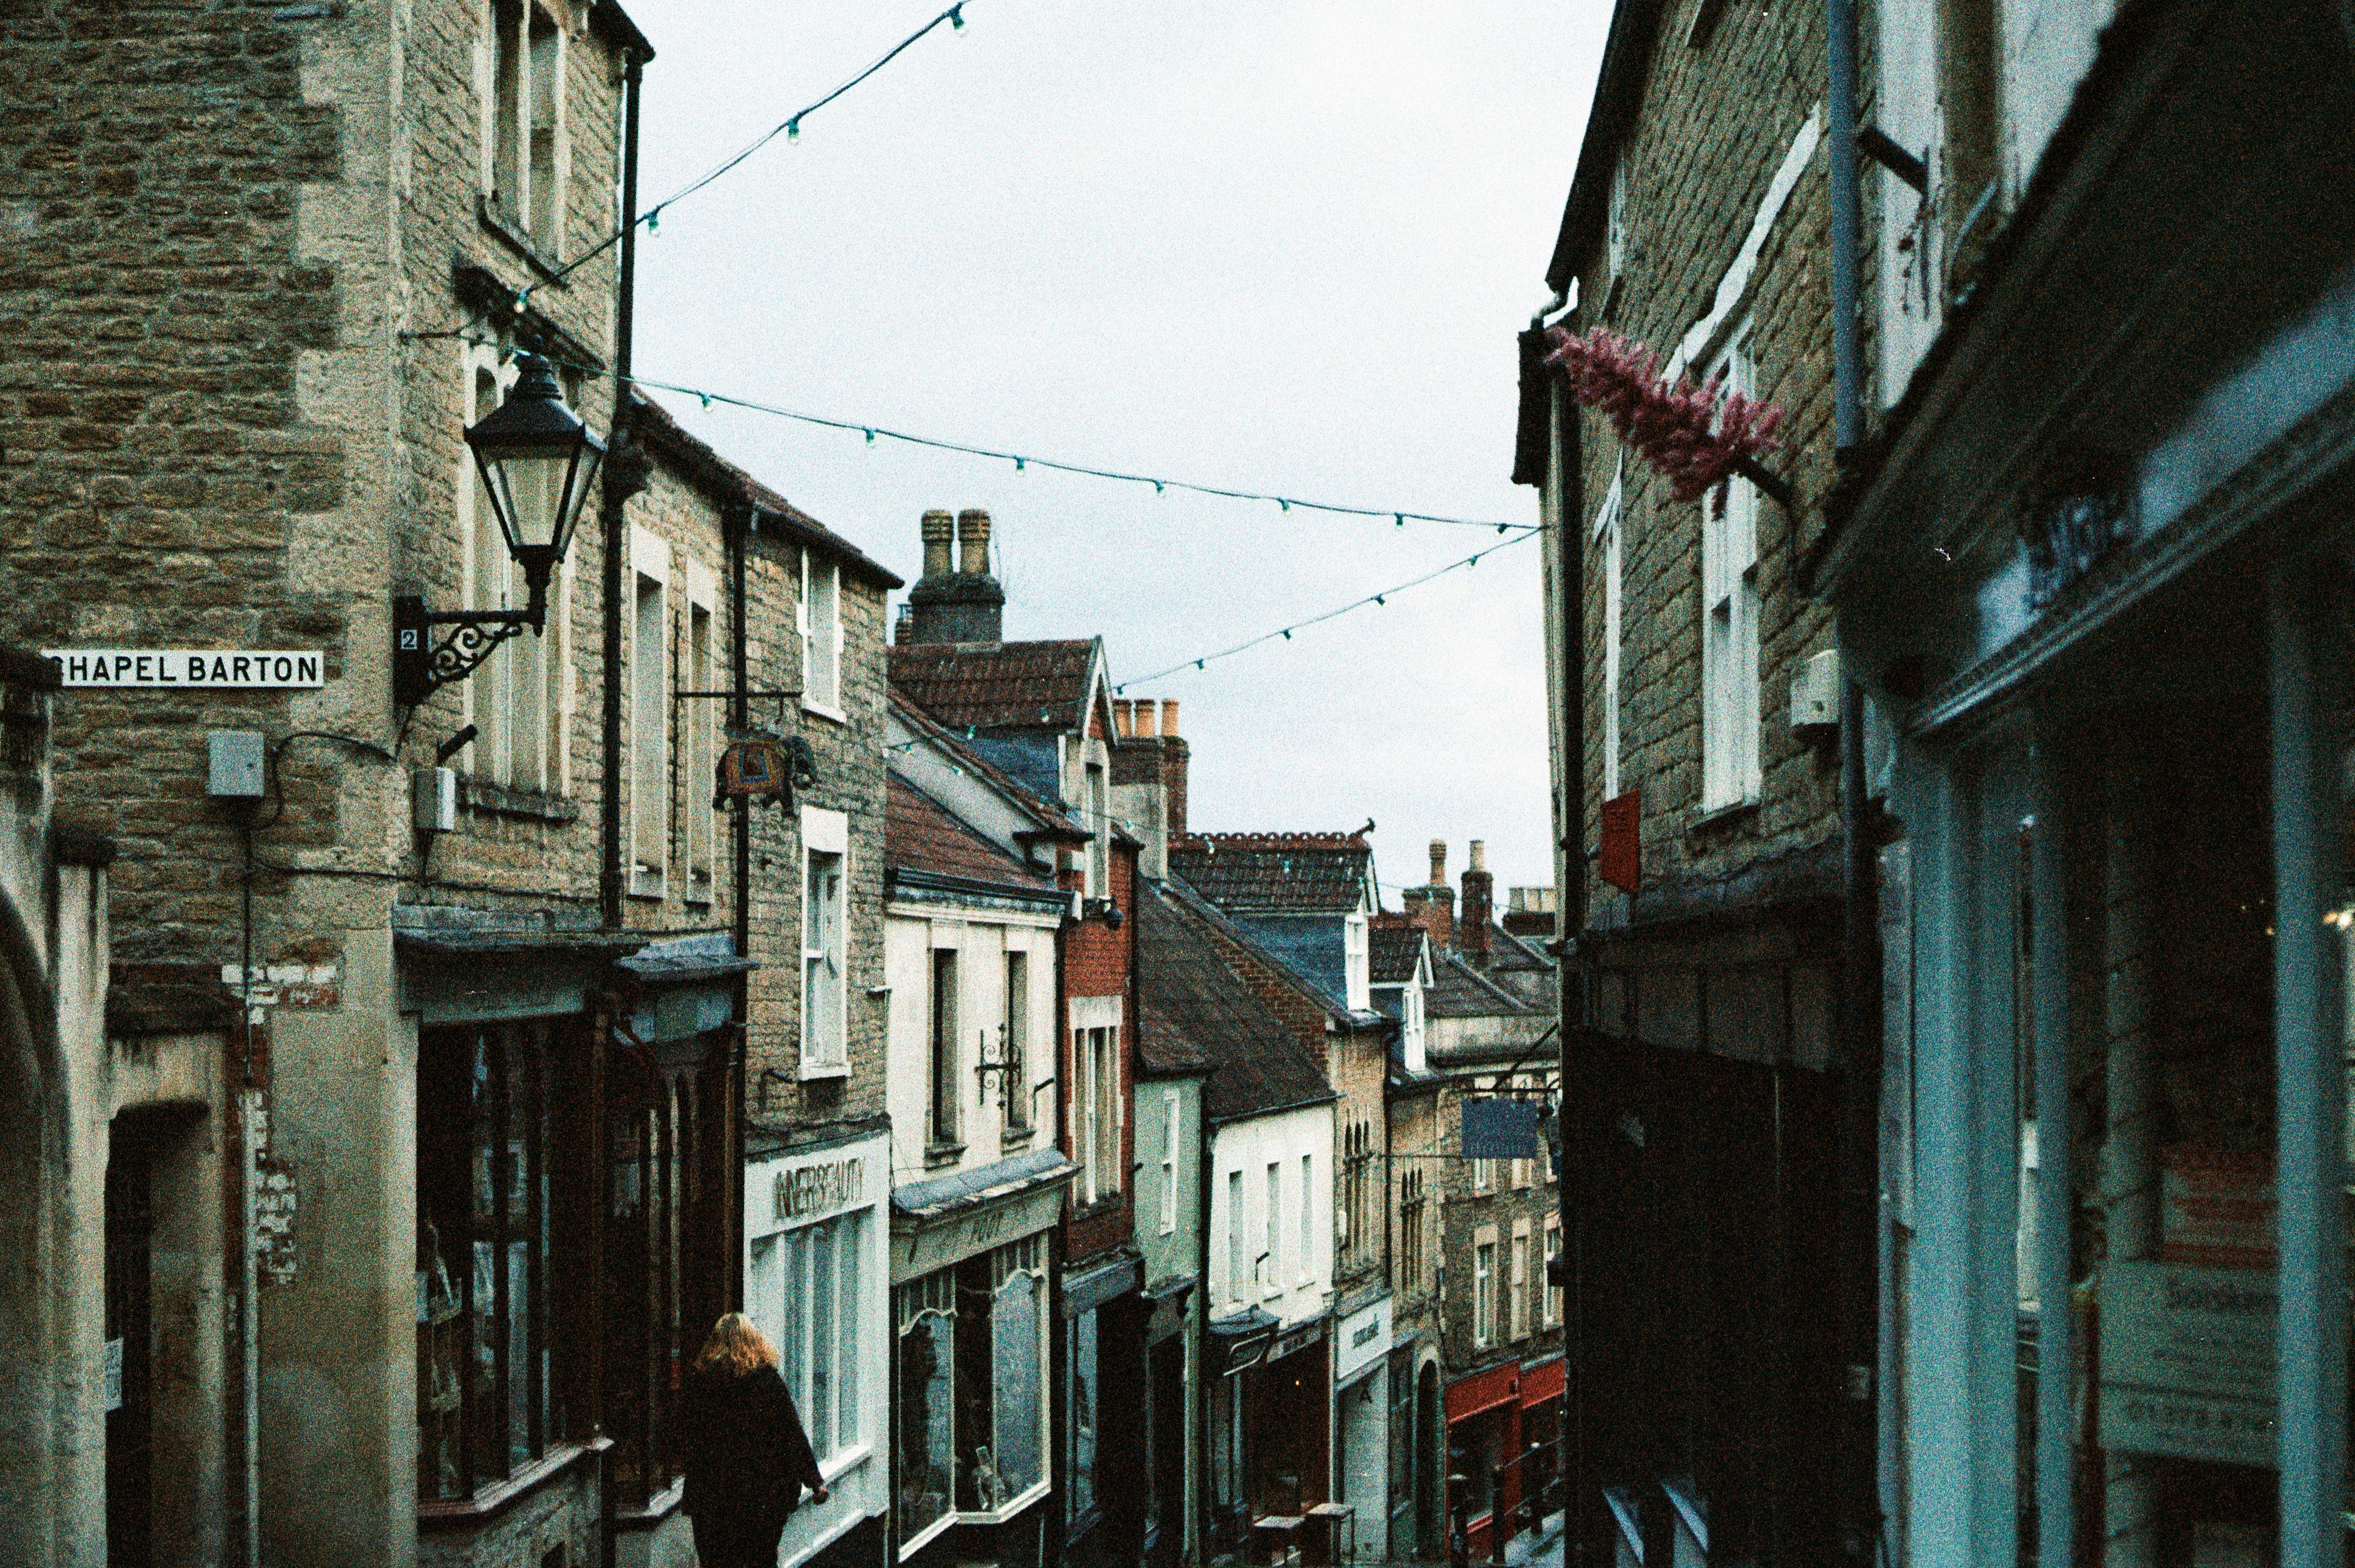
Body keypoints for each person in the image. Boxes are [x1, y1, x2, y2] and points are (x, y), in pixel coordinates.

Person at [677, 1313, 830, 1568]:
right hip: (763, 1497)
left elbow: (683, 1432)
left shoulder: (701, 1384)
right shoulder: (767, 1382)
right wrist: (815, 1481)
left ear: (715, 1343)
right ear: (754, 1341)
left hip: (714, 1497)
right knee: (760, 1560)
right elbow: (791, 1434)